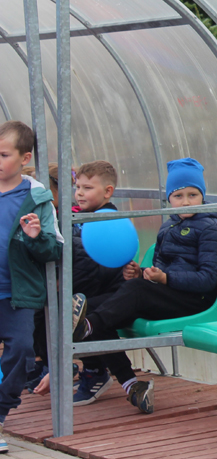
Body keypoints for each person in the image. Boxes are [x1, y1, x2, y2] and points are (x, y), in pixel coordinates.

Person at [73, 157, 217, 414]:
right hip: (167, 294)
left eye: (193, 195)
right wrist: (141, 272)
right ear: (169, 199)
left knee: (119, 302)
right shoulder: (169, 225)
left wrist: (164, 279)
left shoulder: (211, 229)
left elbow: (208, 279)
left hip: (194, 301)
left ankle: (86, 328)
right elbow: (161, 267)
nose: (186, 202)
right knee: (93, 310)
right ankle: (131, 385)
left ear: (203, 196)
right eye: (178, 196)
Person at [43, 161, 134, 404]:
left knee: (82, 313)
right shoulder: (78, 218)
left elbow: (100, 269)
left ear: (108, 191)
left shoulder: (109, 221)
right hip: (92, 289)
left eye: (87, 188)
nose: (79, 193)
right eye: (78, 187)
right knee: (58, 306)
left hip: (115, 293)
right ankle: (50, 365)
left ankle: (98, 372)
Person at [0, 120, 64, 452]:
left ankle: (0, 413)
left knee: (23, 351)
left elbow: (55, 249)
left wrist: (36, 238)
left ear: (25, 158)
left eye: (3, 155)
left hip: (17, 294)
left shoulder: (37, 198)